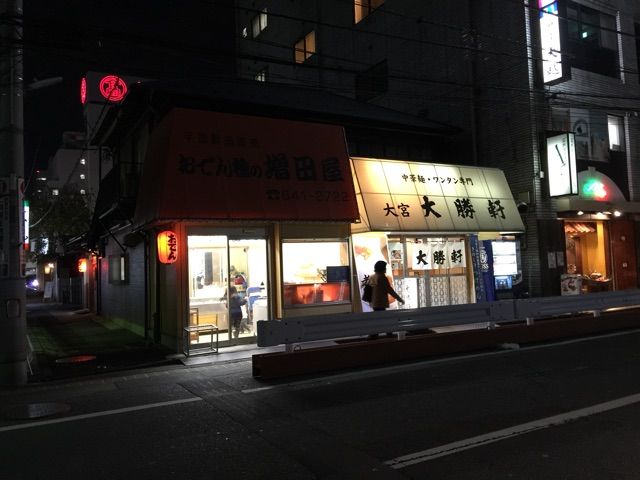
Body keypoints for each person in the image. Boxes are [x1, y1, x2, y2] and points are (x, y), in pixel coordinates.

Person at [367, 260, 405, 339]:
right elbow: (390, 290)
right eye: (385, 267)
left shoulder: (372, 277)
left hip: (374, 303)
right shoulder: (382, 277)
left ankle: (375, 334)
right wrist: (399, 299)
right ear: (382, 268)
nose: (386, 269)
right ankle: (385, 334)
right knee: (384, 319)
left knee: (378, 319)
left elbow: (368, 290)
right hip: (380, 302)